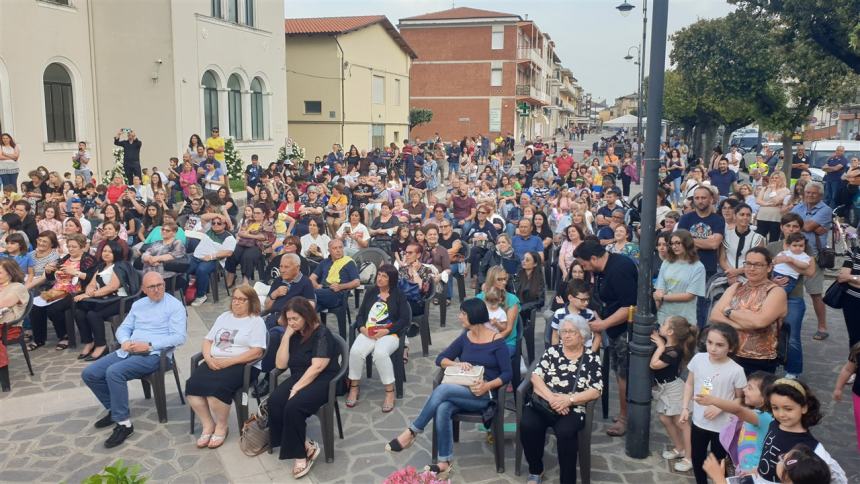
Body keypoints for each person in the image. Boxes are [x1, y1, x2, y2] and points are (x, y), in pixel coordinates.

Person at [384, 298, 511, 478]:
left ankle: (412, 432)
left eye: (463, 314)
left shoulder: (496, 341)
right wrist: (457, 365)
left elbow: (507, 374)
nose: (459, 317)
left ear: (474, 315)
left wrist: (487, 386)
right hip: (461, 390)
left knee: (442, 390)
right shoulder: (465, 337)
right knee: (443, 407)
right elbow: (441, 359)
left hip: (484, 395)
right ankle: (444, 462)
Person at [81, 272, 187, 448]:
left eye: (160, 285)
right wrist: (125, 341)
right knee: (90, 373)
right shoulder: (138, 305)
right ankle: (114, 409)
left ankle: (124, 424)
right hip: (129, 350)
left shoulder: (174, 306)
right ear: (143, 289)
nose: (157, 289)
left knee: (114, 372)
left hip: (155, 355)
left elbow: (179, 337)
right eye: (152, 287)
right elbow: (124, 328)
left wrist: (150, 345)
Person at [520, 315, 602, 484]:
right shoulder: (552, 352)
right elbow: (536, 377)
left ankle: (567, 480)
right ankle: (536, 470)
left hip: (573, 408)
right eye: (563, 331)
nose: (566, 335)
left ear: (582, 335)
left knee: (566, 432)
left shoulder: (591, 358)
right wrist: (553, 399)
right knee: (527, 424)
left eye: (571, 331)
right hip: (544, 403)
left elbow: (596, 390)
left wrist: (569, 400)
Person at [186, 285, 266, 449]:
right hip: (215, 361)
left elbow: (257, 352)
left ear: (251, 302)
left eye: (241, 300)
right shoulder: (224, 316)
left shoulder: (256, 321)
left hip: (243, 365)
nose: (236, 303)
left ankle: (222, 426)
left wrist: (228, 362)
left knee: (215, 391)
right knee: (192, 386)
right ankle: (208, 425)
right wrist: (208, 358)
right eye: (234, 298)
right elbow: (208, 340)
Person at [268, 296, 339, 478]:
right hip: (301, 376)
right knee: (275, 401)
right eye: (288, 319)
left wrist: (296, 389)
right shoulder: (294, 333)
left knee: (294, 406)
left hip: (323, 379)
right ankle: (306, 444)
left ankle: (301, 456)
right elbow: (281, 364)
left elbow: (318, 367)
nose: (291, 323)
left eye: (295, 319)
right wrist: (286, 336)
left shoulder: (321, 333)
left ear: (306, 316)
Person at [572, 240, 637, 437]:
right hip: (614, 326)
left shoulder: (620, 268)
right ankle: (625, 413)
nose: (584, 269)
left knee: (625, 375)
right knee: (619, 373)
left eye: (584, 265)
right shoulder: (602, 270)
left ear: (593, 258)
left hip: (627, 329)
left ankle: (626, 417)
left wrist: (604, 324)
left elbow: (630, 307)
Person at [680, 323, 747, 484]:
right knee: (697, 458)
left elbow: (741, 399)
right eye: (710, 343)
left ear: (730, 348)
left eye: (719, 345)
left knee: (719, 462)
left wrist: (720, 407)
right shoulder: (698, 359)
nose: (713, 348)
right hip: (699, 422)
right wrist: (684, 408)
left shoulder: (736, 370)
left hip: (722, 427)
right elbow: (689, 383)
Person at [710, 247, 787, 375]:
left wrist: (729, 312)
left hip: (758, 360)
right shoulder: (736, 287)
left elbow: (759, 322)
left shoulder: (775, 292)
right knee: (716, 391)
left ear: (769, 267)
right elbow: (715, 316)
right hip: (728, 353)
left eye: (758, 265)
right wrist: (745, 321)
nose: (751, 268)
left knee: (751, 394)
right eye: (748, 264)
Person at [753, 379, 847, 483]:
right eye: (775, 408)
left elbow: (838, 477)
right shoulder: (774, 424)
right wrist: (759, 469)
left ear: (804, 408)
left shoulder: (811, 447)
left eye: (788, 409)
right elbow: (767, 452)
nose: (781, 414)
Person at [346, 264, 411, 412]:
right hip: (369, 331)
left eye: (384, 276)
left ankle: (389, 391)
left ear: (391, 279)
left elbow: (404, 320)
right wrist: (362, 328)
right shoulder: (371, 292)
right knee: (356, 352)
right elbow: (361, 314)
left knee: (380, 354)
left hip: (390, 333)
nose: (380, 279)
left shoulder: (399, 295)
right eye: (379, 275)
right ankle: (354, 387)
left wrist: (386, 331)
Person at [694, 371, 778, 478]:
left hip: (754, 472)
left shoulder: (764, 418)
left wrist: (712, 400)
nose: (744, 390)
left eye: (750, 388)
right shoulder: (757, 414)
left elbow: (738, 410)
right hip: (744, 469)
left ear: (765, 396)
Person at [28, 233, 97, 351]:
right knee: (34, 307)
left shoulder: (88, 259)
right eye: (69, 246)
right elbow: (52, 278)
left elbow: (92, 277)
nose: (71, 249)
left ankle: (64, 336)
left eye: (74, 247)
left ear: (81, 246)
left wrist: (75, 272)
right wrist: (49, 271)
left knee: (53, 309)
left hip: (76, 291)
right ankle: (39, 339)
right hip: (57, 290)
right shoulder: (65, 258)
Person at [650, 316, 698, 473]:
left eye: (664, 324)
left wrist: (660, 346)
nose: (661, 325)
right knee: (664, 418)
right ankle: (680, 448)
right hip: (665, 388)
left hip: (674, 389)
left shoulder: (673, 352)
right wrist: (662, 344)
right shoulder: (670, 347)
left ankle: (689, 458)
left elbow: (654, 365)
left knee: (681, 423)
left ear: (670, 332)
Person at [73, 242, 132, 361]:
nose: (106, 254)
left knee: (93, 314)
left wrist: (89, 295)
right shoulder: (101, 266)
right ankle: (89, 342)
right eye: (105, 251)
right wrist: (89, 290)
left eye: (110, 252)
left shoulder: (119, 266)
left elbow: (112, 287)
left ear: (116, 253)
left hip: (120, 300)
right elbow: (92, 284)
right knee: (79, 312)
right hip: (104, 299)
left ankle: (101, 345)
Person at [678, 185, 725, 328]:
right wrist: (704, 241)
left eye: (703, 198)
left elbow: (714, 244)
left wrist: (690, 239)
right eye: (697, 198)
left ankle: (700, 337)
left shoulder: (718, 220)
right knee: (684, 305)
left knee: (702, 306)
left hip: (707, 269)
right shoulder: (686, 218)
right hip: (686, 267)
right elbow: (680, 242)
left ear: (711, 199)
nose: (700, 201)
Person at [790, 182, 832, 340]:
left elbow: (805, 227)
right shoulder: (799, 207)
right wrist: (808, 226)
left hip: (813, 257)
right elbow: (789, 223)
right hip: (793, 255)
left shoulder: (826, 210)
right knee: (789, 292)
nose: (810, 195)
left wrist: (802, 226)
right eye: (807, 192)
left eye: (813, 193)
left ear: (820, 195)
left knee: (815, 293)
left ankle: (822, 327)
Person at [654, 229, 706, 326]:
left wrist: (663, 297)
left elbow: (689, 296)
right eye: (672, 243)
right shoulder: (666, 262)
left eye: (678, 243)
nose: (674, 246)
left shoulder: (698, 267)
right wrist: (658, 298)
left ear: (687, 243)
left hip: (684, 318)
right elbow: (660, 288)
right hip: (664, 316)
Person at [309, 239, 360, 334]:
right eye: (335, 248)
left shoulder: (348, 262)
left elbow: (357, 282)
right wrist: (316, 285)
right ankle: (316, 335)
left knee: (307, 297)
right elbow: (312, 278)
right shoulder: (324, 262)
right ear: (329, 250)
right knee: (307, 309)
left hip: (337, 295)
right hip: (321, 293)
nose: (338, 250)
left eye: (340, 247)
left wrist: (340, 286)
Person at [187, 214, 237, 306]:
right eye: (213, 223)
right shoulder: (208, 229)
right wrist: (218, 215)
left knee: (201, 270)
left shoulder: (229, 237)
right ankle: (185, 292)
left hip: (214, 261)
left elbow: (228, 252)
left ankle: (201, 295)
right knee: (184, 267)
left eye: (219, 223)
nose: (215, 225)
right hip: (196, 257)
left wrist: (211, 256)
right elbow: (203, 217)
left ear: (225, 225)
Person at [226, 204, 274, 288]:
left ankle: (245, 281)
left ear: (264, 213)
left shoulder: (268, 224)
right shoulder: (249, 221)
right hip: (244, 243)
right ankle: (231, 275)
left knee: (247, 256)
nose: (255, 215)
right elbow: (241, 232)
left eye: (258, 213)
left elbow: (264, 237)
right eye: (254, 213)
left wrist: (248, 235)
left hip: (259, 246)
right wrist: (253, 235)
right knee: (232, 254)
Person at [720, 203, 766, 285]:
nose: (745, 217)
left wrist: (736, 272)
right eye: (742, 214)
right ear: (735, 216)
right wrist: (730, 273)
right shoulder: (727, 235)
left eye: (748, 215)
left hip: (749, 277)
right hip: (727, 275)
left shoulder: (757, 238)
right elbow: (722, 259)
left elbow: (757, 262)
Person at [0, 258, 31, 383]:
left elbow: (3, 303)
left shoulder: (17, 287)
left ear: (10, 273)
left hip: (8, 327)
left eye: (0, 272)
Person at [755, 172, 791, 243]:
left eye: (776, 178)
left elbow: (776, 201)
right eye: (772, 178)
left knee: (773, 240)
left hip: (776, 219)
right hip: (762, 217)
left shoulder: (785, 190)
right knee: (758, 239)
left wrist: (773, 189)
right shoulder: (765, 188)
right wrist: (767, 204)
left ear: (782, 179)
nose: (774, 179)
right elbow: (758, 201)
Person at [836, 245, 860, 347]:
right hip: (851, 301)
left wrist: (850, 277)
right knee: (854, 337)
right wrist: (855, 278)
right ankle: (854, 361)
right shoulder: (854, 252)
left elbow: (846, 276)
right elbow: (841, 277)